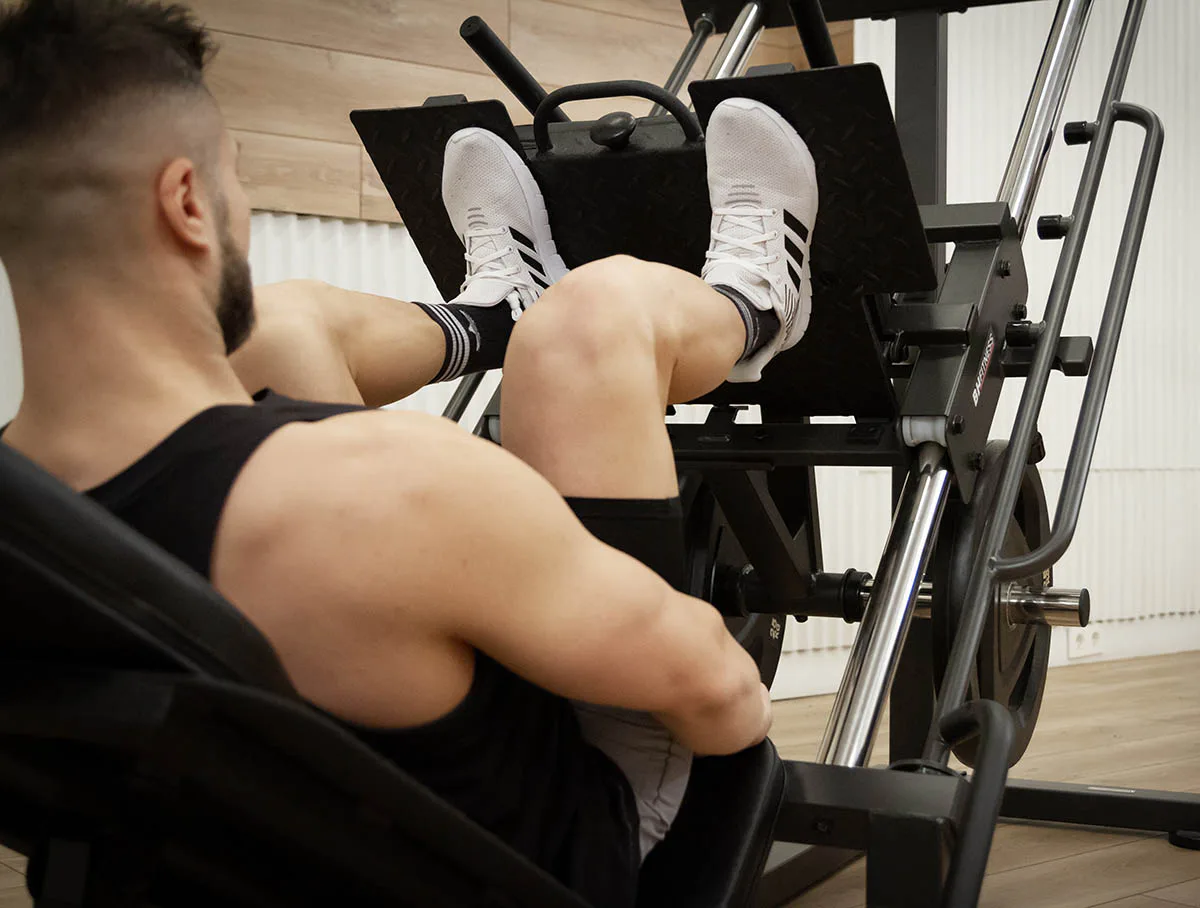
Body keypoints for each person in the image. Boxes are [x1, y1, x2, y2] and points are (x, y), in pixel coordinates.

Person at [0, 1, 818, 904]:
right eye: (236, 179)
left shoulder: (25, 523)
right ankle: (758, 305)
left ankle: (496, 313)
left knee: (282, 325)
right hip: (554, 854)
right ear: (188, 203)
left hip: (257, 847)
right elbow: (722, 699)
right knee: (594, 315)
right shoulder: (387, 486)